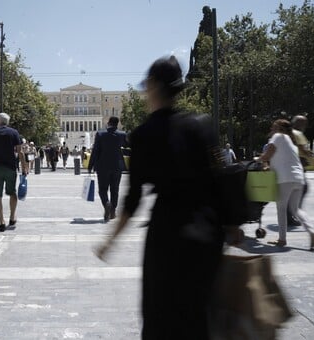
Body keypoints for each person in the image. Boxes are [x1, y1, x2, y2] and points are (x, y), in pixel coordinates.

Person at [96, 56, 225, 339]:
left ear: (154, 86)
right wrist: (234, 227)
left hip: (168, 236)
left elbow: (133, 199)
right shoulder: (202, 126)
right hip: (207, 234)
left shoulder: (144, 134)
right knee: (197, 316)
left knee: (160, 318)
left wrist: (110, 241)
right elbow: (220, 178)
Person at [258, 119, 314, 249]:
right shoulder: (292, 143)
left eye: (274, 126)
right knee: (296, 209)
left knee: (281, 209)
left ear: (280, 128)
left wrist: (259, 159)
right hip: (299, 178)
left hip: (285, 179)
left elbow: (268, 155)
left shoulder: (278, 136)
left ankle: (282, 240)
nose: (271, 128)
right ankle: (312, 231)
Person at [88, 116, 127, 222]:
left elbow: (95, 151)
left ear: (109, 123)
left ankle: (106, 204)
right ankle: (113, 211)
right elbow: (127, 146)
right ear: (117, 124)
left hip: (102, 166)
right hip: (116, 166)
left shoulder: (100, 134)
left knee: (102, 189)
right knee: (115, 189)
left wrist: (90, 165)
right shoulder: (122, 134)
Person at [287, 115, 311, 227]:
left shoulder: (288, 133)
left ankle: (290, 215)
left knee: (291, 191)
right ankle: (294, 213)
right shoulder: (298, 134)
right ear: (298, 124)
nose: (305, 126)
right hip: (298, 165)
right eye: (303, 123)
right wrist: (310, 155)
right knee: (303, 188)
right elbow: (302, 149)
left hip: (290, 165)